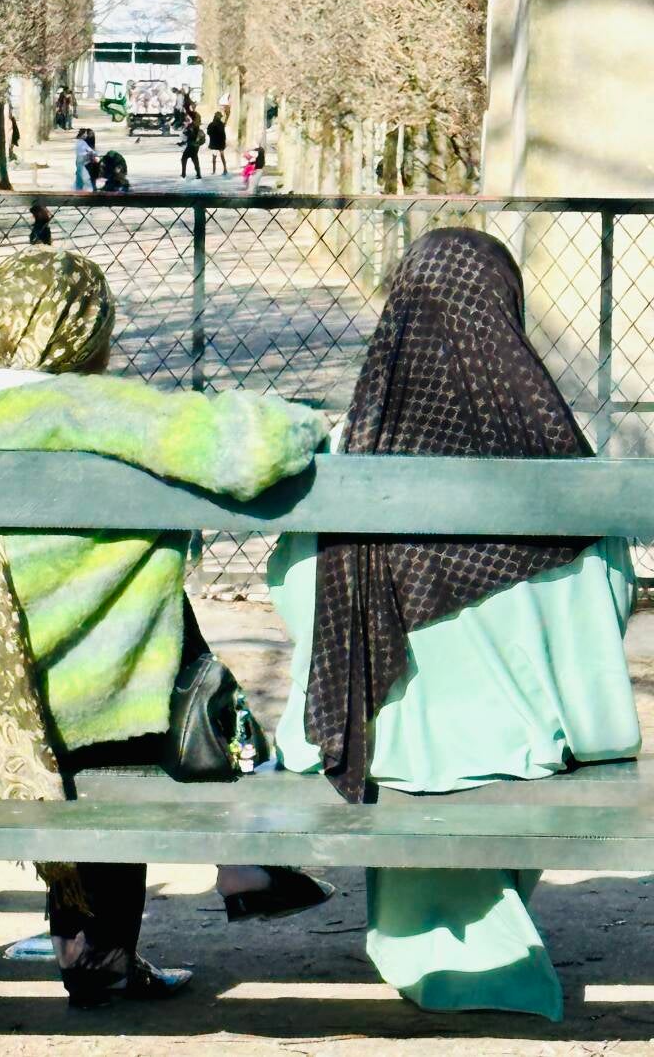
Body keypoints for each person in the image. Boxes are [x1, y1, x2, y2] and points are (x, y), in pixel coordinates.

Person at [0, 248, 331, 1009]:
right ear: (83, 333)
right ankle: (222, 869)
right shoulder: (87, 409)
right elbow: (252, 449)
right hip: (71, 710)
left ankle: (117, 938)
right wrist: (312, 421)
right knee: (130, 685)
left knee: (106, 647)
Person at [267, 227, 641, 1022]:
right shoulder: (555, 456)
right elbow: (611, 591)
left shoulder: (356, 451)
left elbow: (297, 589)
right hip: (526, 739)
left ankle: (444, 946)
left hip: (389, 741)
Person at [181, 114, 203, 180]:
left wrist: (186, 130)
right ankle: (198, 174)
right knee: (195, 159)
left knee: (184, 158)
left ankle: (183, 174)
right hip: (195, 146)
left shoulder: (192, 127)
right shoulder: (197, 127)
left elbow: (189, 134)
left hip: (191, 146)